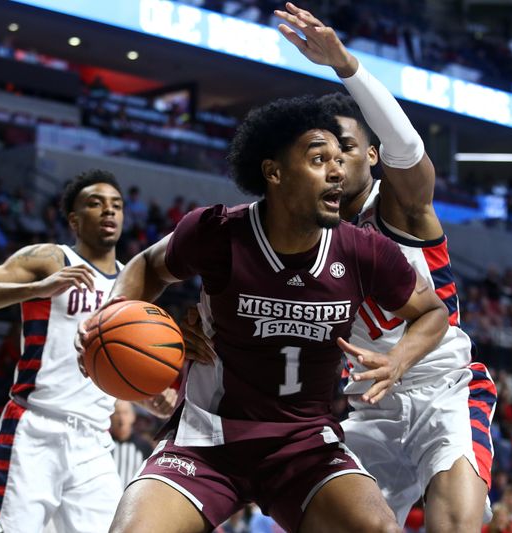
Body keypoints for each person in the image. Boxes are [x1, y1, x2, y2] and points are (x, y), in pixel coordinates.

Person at [79, 91, 449, 532]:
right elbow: (147, 266)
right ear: (273, 172)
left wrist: (398, 358)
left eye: (338, 158)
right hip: (207, 438)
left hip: (305, 444)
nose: (336, 171)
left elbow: (433, 312)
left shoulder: (364, 251)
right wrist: (115, 315)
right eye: (318, 160)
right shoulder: (216, 232)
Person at [270, 4, 498, 530]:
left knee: (455, 523)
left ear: (372, 156)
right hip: (370, 406)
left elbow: (410, 148)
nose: (333, 161)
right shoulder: (303, 241)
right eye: (319, 152)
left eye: (346, 148)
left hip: (445, 387)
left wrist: (347, 66)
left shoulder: (399, 206)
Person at [0, 170, 174, 533]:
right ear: (74, 220)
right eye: (95, 204)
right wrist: (36, 288)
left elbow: (116, 365)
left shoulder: (135, 282)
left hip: (95, 441)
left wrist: (146, 393)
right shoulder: (51, 259)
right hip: (36, 427)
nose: (108, 212)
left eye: (116, 205)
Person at [110, 400, 153, 488]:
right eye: (117, 413)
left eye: (125, 413)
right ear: (110, 416)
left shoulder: (144, 447)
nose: (121, 418)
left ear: (133, 417)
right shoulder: (103, 444)